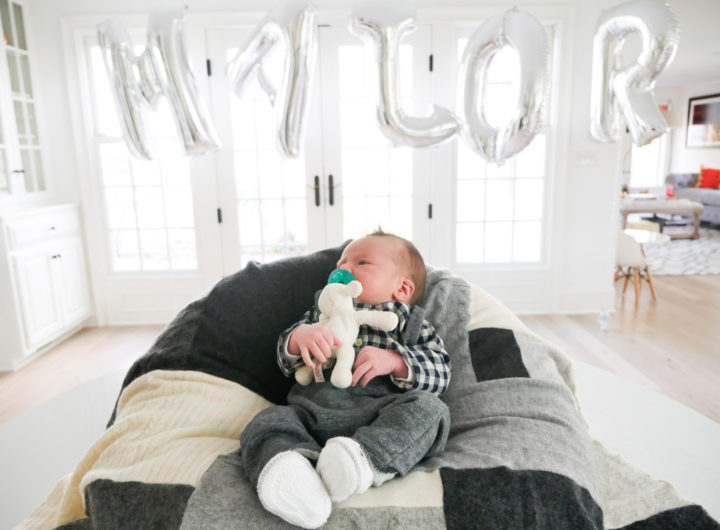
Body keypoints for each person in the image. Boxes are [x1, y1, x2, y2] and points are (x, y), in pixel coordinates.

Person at [240, 230, 451, 529]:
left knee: (433, 411)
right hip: (311, 413)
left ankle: (361, 461)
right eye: (341, 263)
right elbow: (284, 359)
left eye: (362, 262)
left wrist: (395, 361)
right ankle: (289, 472)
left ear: (402, 288)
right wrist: (301, 338)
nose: (343, 269)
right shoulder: (320, 314)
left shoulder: (409, 323)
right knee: (266, 422)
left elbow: (441, 371)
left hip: (383, 413)